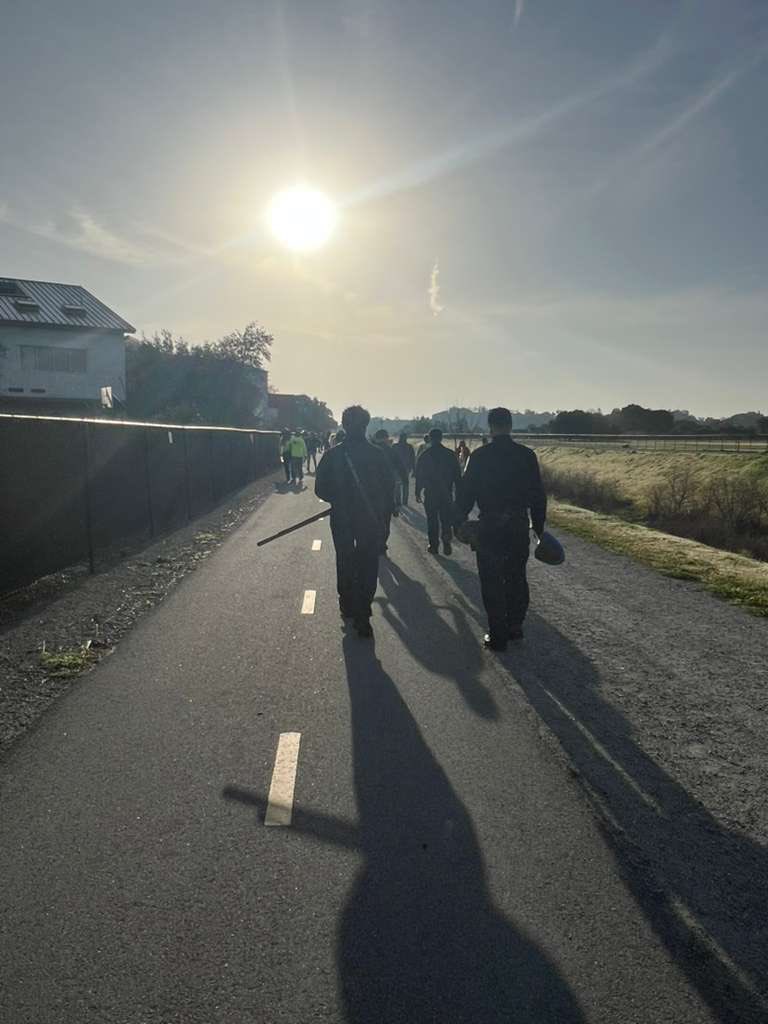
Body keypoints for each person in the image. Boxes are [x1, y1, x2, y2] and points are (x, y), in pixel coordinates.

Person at [455, 406, 546, 651]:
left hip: (489, 526)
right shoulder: (526, 455)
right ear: (511, 425)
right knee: (517, 576)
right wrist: (538, 527)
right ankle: (515, 626)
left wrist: (458, 519)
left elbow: (466, 493)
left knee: (491, 579)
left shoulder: (480, 456)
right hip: (517, 524)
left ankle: (498, 635)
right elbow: (538, 495)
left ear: (490, 426)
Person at [315, 406, 395, 637]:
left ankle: (348, 604)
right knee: (368, 563)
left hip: (342, 516)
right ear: (366, 425)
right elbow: (388, 488)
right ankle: (363, 612)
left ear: (343, 424)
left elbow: (320, 489)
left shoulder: (332, 455)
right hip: (370, 518)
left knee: (345, 559)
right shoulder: (378, 454)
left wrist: (339, 499)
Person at [415, 428, 461, 556]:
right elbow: (458, 476)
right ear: (441, 438)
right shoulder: (450, 455)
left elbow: (419, 476)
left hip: (431, 493)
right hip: (446, 493)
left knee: (432, 520)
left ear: (429, 438)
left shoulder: (424, 455)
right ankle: (446, 541)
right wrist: (459, 494)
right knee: (446, 519)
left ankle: (433, 545)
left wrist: (417, 491)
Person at [372, 428, 405, 554]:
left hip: (371, 493)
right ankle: (383, 543)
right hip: (387, 491)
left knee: (374, 519)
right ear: (386, 438)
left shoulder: (370, 451)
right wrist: (405, 480)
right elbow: (401, 469)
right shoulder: (391, 451)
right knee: (386, 520)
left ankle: (375, 541)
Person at [392, 432, 416, 505]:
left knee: (397, 485)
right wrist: (414, 469)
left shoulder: (395, 446)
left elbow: (391, 458)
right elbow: (413, 459)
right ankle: (405, 501)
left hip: (396, 468)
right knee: (405, 484)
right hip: (406, 468)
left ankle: (398, 501)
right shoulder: (409, 446)